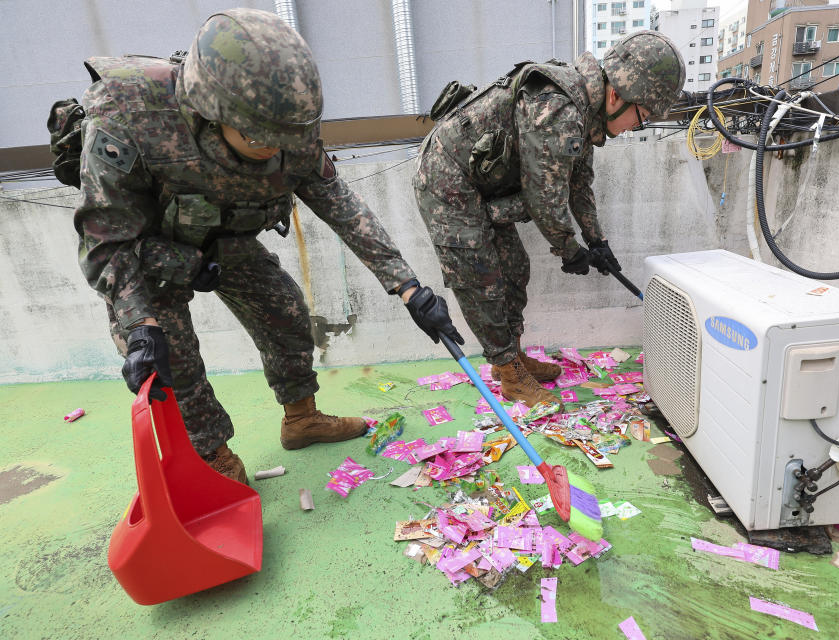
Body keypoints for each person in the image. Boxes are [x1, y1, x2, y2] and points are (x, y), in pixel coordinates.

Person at [73, 8, 461, 484]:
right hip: (144, 252)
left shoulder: (284, 127)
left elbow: (341, 205)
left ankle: (301, 419)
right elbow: (105, 241)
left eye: (284, 139)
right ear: (210, 110)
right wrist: (139, 324)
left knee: (285, 311)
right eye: (259, 137)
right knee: (169, 354)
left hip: (222, 234)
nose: (273, 150)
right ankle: (210, 457)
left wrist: (409, 288)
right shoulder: (130, 115)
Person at [413, 31, 684, 408]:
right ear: (617, 95)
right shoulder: (559, 108)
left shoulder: (585, 112)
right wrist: (569, 250)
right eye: (642, 118)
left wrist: (597, 242)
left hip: (484, 185)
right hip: (448, 181)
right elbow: (545, 197)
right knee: (483, 278)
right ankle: (509, 374)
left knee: (515, 268)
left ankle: (514, 356)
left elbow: (578, 183)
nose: (635, 128)